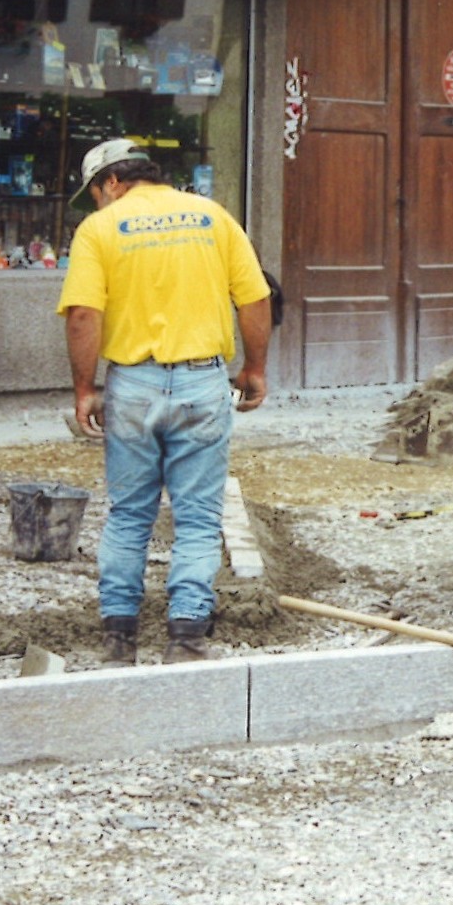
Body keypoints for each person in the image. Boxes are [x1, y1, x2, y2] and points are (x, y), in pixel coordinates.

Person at [56, 139, 272, 666]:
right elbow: (255, 297)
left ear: (111, 182)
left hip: (133, 386)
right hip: (202, 384)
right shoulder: (212, 217)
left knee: (130, 515)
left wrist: (85, 389)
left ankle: (119, 638)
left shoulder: (100, 230)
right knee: (198, 518)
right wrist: (254, 368)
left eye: (95, 194)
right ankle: (185, 636)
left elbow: (84, 314)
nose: (97, 205)